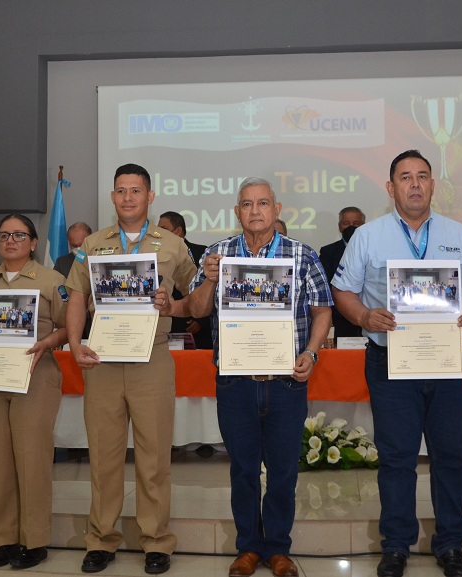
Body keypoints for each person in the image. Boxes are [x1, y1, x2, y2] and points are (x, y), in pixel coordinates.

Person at [332, 150, 462, 577]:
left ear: (433, 185)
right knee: (397, 457)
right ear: (391, 188)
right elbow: (343, 292)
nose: (415, 184)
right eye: (406, 177)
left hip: (446, 359)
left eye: (423, 176)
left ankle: (451, 543)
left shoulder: (459, 234)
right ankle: (396, 545)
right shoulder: (367, 236)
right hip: (389, 361)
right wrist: (365, 316)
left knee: (452, 454)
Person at [187, 177, 332, 577]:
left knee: (284, 471)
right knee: (243, 470)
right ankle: (248, 547)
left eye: (263, 203)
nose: (255, 211)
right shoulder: (217, 254)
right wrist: (211, 276)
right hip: (236, 381)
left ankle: (279, 548)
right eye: (247, 204)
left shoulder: (301, 254)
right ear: (237, 212)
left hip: (287, 382)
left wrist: (312, 352)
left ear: (277, 209)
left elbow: (322, 310)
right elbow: (197, 310)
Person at [65, 163, 197, 575]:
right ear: (112, 197)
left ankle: (156, 540)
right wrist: (73, 343)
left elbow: (197, 297)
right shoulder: (93, 243)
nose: (127, 198)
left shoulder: (172, 245)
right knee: (103, 456)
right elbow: (74, 295)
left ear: (150, 196)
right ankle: (101, 539)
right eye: (120, 191)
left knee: (154, 454)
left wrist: (172, 304)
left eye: (135, 191)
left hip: (151, 358)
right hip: (102, 358)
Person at [0, 214, 68, 570]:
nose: (10, 241)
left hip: (35, 376)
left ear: (34, 242)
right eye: (4, 235)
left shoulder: (53, 281)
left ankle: (34, 540)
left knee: (32, 458)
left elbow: (71, 326)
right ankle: (3, 539)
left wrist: (50, 340)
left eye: (19, 235)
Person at [157, 210, 212, 350]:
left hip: (198, 331)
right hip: (169, 324)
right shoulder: (156, 253)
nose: (159, 234)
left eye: (163, 229)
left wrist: (200, 321)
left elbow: (207, 289)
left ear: (178, 231)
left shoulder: (202, 251)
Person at [318, 207, 366, 339]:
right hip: (340, 320)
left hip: (370, 318)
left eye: (356, 223)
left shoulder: (373, 250)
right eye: (346, 223)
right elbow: (325, 287)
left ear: (364, 225)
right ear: (339, 227)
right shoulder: (328, 252)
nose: (351, 227)